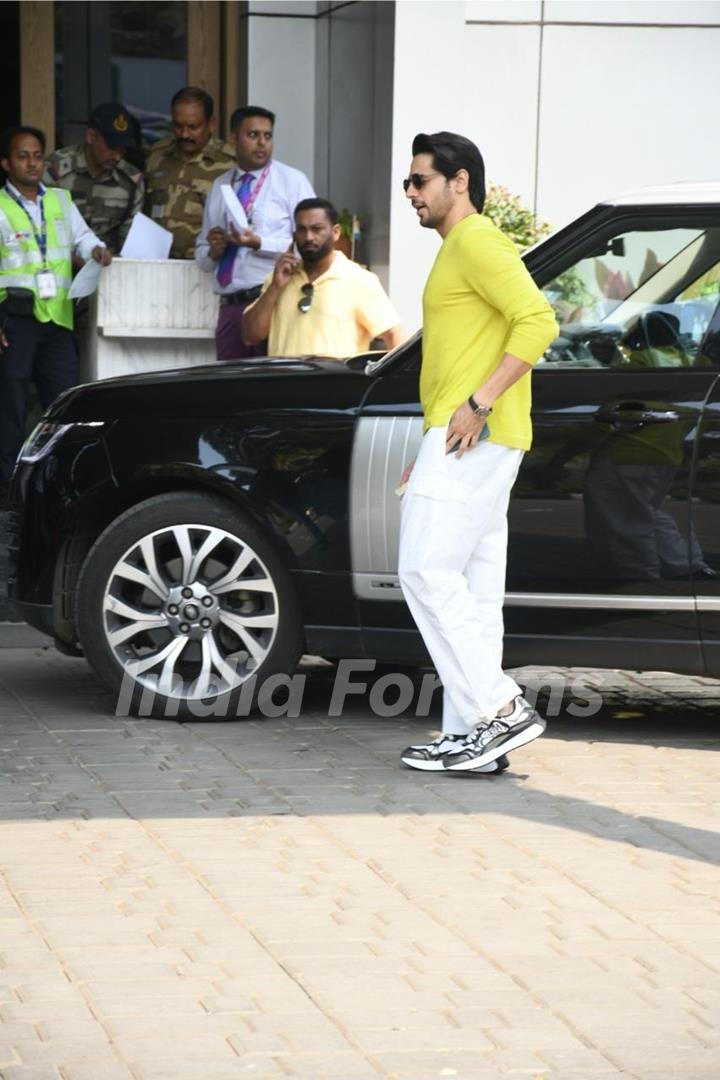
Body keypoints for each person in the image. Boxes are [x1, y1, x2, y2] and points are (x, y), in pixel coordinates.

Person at [397, 131, 557, 774]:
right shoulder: (458, 249)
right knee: (472, 590)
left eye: (420, 181)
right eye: (408, 183)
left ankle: (499, 709)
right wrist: (430, 438)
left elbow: (538, 320)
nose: (411, 192)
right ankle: (474, 735)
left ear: (458, 181)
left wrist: (478, 404)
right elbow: (453, 357)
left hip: (476, 435)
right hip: (468, 438)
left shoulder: (477, 241)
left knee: (422, 571)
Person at [0, 126, 111, 507]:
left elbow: (83, 239)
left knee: (63, 403)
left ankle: (59, 483)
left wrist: (98, 251)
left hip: (57, 320)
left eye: (37, 155)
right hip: (14, 317)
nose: (32, 163)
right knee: (11, 404)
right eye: (22, 156)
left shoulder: (60, 200)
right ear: (6, 162)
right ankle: (9, 491)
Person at [195, 106, 315, 360]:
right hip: (230, 306)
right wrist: (214, 252)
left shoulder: (292, 181)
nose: (262, 143)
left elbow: (309, 244)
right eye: (253, 135)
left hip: (273, 300)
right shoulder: (220, 186)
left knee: (271, 388)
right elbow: (202, 258)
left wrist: (259, 242)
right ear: (233, 139)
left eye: (268, 136)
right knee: (229, 390)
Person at [243, 198, 406, 357]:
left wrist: (399, 382)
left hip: (337, 383)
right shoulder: (278, 278)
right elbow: (251, 336)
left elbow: (393, 335)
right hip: (284, 382)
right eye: (301, 229)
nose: (308, 237)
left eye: (317, 229)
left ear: (335, 232)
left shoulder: (358, 279)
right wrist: (275, 286)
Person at [144, 86, 235, 260]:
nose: (185, 134)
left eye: (193, 127)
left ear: (212, 124)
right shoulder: (156, 156)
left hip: (204, 267)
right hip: (156, 264)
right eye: (178, 126)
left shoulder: (229, 164)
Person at [44, 103, 144, 255]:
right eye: (111, 147)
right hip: (60, 267)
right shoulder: (55, 171)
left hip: (107, 269)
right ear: (91, 136)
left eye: (122, 150)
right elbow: (41, 229)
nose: (117, 157)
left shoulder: (130, 181)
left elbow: (129, 244)